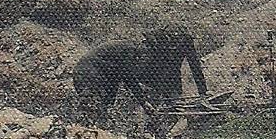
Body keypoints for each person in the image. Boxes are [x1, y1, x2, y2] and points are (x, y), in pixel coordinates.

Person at [72, 25, 208, 128]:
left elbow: (188, 68)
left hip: (102, 73)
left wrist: (202, 93)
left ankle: (99, 132)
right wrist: (144, 102)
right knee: (92, 108)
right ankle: (87, 136)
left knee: (104, 106)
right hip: (88, 73)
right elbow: (130, 78)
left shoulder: (137, 54)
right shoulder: (135, 52)